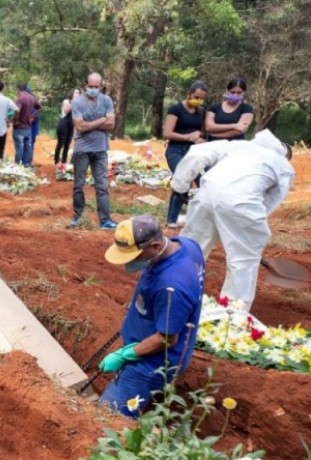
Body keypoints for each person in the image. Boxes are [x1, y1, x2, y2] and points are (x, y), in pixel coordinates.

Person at [172, 130, 294, 311]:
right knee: (243, 262)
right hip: (242, 205)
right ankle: (231, 317)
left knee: (191, 247)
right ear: (285, 155)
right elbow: (270, 202)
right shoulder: (284, 166)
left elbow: (197, 153)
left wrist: (180, 184)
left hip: (206, 195)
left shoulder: (239, 145)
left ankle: (171, 294)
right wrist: (239, 226)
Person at [100, 214, 205, 417]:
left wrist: (125, 355)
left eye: (134, 256)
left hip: (152, 362)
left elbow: (166, 338)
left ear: (155, 246)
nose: (129, 263)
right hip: (144, 342)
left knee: (107, 419)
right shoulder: (185, 244)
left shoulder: (172, 286)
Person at [70, 73, 117, 229]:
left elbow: (111, 125)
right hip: (82, 149)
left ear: (101, 86)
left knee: (102, 186)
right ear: (85, 85)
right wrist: (102, 119)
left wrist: (90, 123)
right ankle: (78, 216)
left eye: (96, 87)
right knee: (79, 184)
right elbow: (80, 127)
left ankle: (105, 220)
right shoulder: (77, 102)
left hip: (101, 148)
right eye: (91, 86)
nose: (93, 89)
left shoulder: (106, 100)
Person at [163, 81, 208, 229]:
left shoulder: (200, 112)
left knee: (204, 180)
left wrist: (199, 138)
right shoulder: (176, 109)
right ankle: (172, 219)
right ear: (189, 94)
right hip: (176, 150)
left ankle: (199, 215)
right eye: (196, 97)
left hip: (193, 151)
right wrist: (187, 137)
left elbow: (200, 131)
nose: (198, 100)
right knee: (182, 180)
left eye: (202, 98)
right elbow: (167, 133)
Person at [13, 83, 41, 167]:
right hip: (28, 127)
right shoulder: (32, 97)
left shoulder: (20, 98)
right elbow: (39, 107)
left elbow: (17, 111)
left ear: (18, 89)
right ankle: (26, 165)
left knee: (19, 147)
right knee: (28, 146)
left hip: (20, 127)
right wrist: (32, 116)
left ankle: (17, 166)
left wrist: (16, 121)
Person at [54, 89, 80, 172]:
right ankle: (57, 161)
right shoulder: (67, 101)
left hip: (71, 125)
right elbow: (66, 110)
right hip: (63, 124)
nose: (78, 94)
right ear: (72, 93)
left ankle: (64, 162)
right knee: (61, 143)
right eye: (76, 92)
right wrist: (74, 104)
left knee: (67, 144)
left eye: (79, 93)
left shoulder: (79, 103)